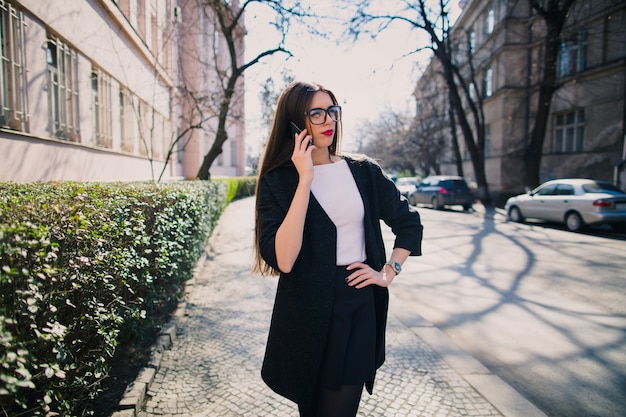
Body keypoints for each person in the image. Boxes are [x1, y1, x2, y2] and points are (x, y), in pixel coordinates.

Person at [253, 80, 423, 417]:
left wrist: (389, 271)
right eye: (316, 113)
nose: (329, 120)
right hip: (305, 315)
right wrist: (305, 180)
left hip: (355, 305)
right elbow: (284, 260)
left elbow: (409, 224)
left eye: (332, 110)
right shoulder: (279, 180)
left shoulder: (364, 173)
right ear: (295, 122)